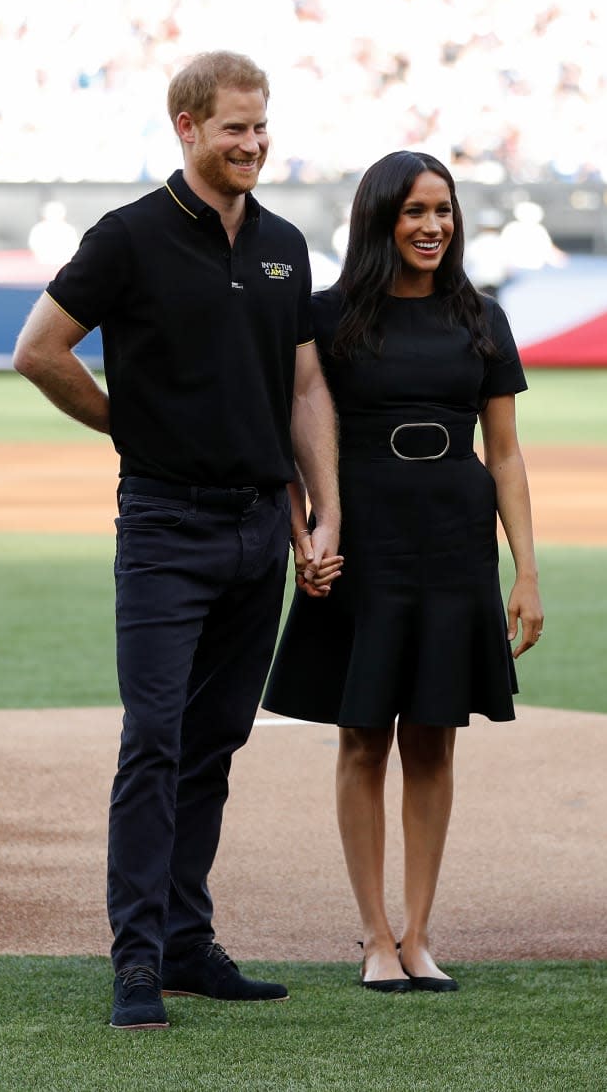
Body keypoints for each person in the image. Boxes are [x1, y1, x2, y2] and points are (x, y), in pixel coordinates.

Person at [13, 50, 340, 1030]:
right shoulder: (128, 238)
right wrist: (130, 423)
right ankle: (137, 957)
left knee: (212, 742)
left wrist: (324, 509)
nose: (252, 141)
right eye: (233, 126)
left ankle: (188, 939)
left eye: (260, 123)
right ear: (186, 129)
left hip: (257, 530)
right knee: (154, 739)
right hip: (164, 526)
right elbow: (37, 349)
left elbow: (307, 385)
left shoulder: (284, 243)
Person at [264, 150, 543, 993]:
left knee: (434, 736)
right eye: (416, 211)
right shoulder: (323, 315)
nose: (433, 227)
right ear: (381, 218)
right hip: (366, 537)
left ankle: (420, 934)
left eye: (445, 211)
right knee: (362, 737)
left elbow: (505, 453)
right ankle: (374, 935)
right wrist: (302, 536)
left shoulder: (482, 317)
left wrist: (526, 571)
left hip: (456, 539)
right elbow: (287, 438)